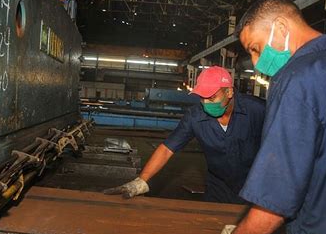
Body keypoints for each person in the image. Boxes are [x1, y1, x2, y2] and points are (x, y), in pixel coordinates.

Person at [196, 0, 326, 234]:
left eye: (256, 49)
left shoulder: (298, 78)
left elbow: (277, 196)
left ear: (281, 27)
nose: (257, 63)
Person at [104, 66, 266, 204]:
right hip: (218, 188)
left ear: (229, 92)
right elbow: (167, 149)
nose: (206, 103)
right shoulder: (195, 116)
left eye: (212, 97)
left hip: (256, 188)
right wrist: (141, 181)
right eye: (202, 98)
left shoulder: (257, 110)